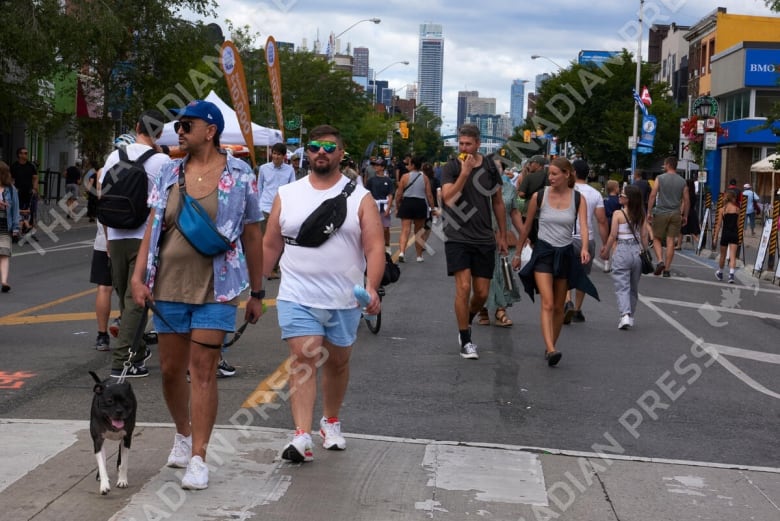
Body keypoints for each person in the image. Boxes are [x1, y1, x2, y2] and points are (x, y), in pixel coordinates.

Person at [130, 99, 265, 489]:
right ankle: (183, 432)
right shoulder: (169, 172)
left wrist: (257, 291)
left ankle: (199, 457)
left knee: (202, 371)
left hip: (217, 289)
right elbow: (153, 227)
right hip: (168, 285)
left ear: (211, 130)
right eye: (179, 126)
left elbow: (252, 234)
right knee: (172, 371)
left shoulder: (240, 174)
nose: (180, 132)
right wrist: (139, 279)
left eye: (187, 125)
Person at [262, 124, 384, 463]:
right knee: (304, 356)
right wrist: (255, 287)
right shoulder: (288, 194)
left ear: (341, 154)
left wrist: (371, 287)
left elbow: (374, 248)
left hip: (344, 298)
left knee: (338, 361)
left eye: (329, 148)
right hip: (296, 293)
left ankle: (330, 421)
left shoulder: (361, 197)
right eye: (314, 146)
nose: (321, 152)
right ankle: (301, 435)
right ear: (306, 152)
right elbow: (271, 244)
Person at [99, 111, 170, 378]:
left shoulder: (113, 155)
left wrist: (107, 239)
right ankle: (122, 362)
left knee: (126, 299)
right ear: (159, 134)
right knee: (136, 301)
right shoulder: (162, 160)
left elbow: (102, 196)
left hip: (116, 234)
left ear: (136, 127)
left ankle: (137, 353)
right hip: (145, 238)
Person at [512, 158, 596, 367]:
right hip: (543, 253)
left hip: (565, 253)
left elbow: (584, 226)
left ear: (567, 174)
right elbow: (527, 225)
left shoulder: (578, 199)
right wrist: (518, 252)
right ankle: (551, 348)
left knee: (559, 307)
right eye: (550, 174)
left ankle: (551, 346)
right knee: (548, 302)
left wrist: (584, 248)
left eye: (555, 174)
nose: (551, 178)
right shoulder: (539, 196)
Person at [441, 124, 507, 360]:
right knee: (464, 287)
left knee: (481, 293)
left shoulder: (490, 166)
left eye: (468, 144)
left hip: (484, 236)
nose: (464, 148)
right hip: (457, 235)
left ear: (478, 144)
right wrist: (465, 173)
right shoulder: (451, 167)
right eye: (461, 143)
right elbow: (448, 198)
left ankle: (466, 320)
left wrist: (501, 233)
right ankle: (465, 340)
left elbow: (498, 202)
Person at [477, 160, 523, 327]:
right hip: (483, 238)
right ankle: (482, 309)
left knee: (504, 273)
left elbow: (515, 212)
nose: (495, 170)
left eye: (498, 167)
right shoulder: (478, 188)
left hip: (504, 238)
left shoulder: (510, 188)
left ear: (503, 170)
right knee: (485, 276)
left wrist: (524, 235)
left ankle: (500, 311)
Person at [563, 160, 608, 324]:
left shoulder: (566, 190)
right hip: (586, 238)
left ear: (573, 172)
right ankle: (577, 309)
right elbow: (601, 220)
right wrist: (605, 244)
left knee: (565, 272)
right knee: (582, 274)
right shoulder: (595, 194)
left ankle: (567, 301)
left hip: (566, 237)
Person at [600, 185, 647, 330]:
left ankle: (625, 314)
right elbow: (644, 235)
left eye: (622, 195)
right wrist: (644, 252)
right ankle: (630, 316)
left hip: (622, 250)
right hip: (637, 252)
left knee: (622, 286)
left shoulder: (618, 214)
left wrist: (606, 251)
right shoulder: (641, 214)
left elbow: (613, 235)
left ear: (628, 199)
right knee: (633, 287)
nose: (620, 196)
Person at [258, 142, 296, 279]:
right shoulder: (263, 168)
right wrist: (258, 205)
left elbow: (292, 190)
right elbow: (259, 187)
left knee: (278, 239)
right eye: (274, 153)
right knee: (263, 238)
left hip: (281, 208)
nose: (276, 156)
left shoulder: (290, 170)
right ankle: (263, 267)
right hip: (264, 206)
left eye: (279, 154)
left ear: (284, 156)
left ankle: (273, 267)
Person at [647, 156, 688, 278]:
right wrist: (685, 215)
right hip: (675, 214)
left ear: (668, 165)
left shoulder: (660, 178)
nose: (664, 167)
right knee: (671, 241)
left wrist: (649, 211)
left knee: (656, 238)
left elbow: (653, 195)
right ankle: (667, 269)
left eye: (664, 165)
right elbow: (686, 199)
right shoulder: (682, 181)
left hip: (661, 212)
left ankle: (660, 261)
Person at [395, 155, 435, 263]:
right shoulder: (424, 178)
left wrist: (397, 206)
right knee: (419, 231)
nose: (407, 166)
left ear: (412, 165)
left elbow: (399, 194)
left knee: (405, 230)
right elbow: (429, 195)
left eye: (408, 164)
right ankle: (419, 256)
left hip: (407, 202)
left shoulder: (405, 177)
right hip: (420, 203)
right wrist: (432, 208)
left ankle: (402, 252)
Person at [90, 216, 113, 351]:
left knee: (104, 287)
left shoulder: (102, 193)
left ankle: (102, 335)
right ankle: (129, 332)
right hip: (133, 240)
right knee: (128, 289)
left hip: (103, 242)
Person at [364, 157, 395, 254]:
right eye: (375, 165)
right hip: (374, 207)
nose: (375, 167)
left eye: (377, 165)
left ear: (383, 167)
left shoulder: (388, 180)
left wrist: (389, 207)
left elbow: (390, 195)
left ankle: (387, 245)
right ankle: (375, 246)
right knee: (374, 228)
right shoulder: (371, 180)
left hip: (384, 206)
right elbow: (367, 194)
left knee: (385, 228)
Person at [0, 161, 21, 293]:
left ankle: (4, 281)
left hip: (4, 225)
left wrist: (15, 228)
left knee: (4, 254)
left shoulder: (11, 190)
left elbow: (15, 210)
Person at [713, 190, 740, 283]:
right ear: (733, 198)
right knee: (733, 256)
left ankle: (720, 272)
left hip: (725, 234)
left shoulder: (722, 210)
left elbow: (718, 225)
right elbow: (738, 224)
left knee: (723, 256)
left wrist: (715, 237)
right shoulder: (737, 209)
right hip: (734, 234)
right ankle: (731, 275)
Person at [10, 147, 38, 235]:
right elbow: (11, 179)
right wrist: (13, 189)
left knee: (31, 211)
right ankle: (18, 231)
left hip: (29, 192)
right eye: (24, 153)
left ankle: (30, 231)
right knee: (19, 211)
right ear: (19, 155)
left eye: (26, 153)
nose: (26, 155)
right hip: (18, 192)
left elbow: (35, 178)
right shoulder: (14, 166)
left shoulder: (31, 166)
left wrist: (35, 188)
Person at [602, 180, 621, 273]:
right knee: (614, 242)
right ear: (615, 189)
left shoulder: (605, 200)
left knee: (606, 242)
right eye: (618, 187)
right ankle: (615, 263)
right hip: (616, 221)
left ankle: (606, 264)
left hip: (607, 221)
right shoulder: (619, 200)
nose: (619, 189)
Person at [679, 178, 701, 247]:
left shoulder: (686, 194)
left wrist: (681, 213)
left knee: (681, 230)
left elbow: (684, 203)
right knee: (694, 229)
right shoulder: (694, 194)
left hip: (687, 212)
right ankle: (698, 242)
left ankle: (679, 245)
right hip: (693, 213)